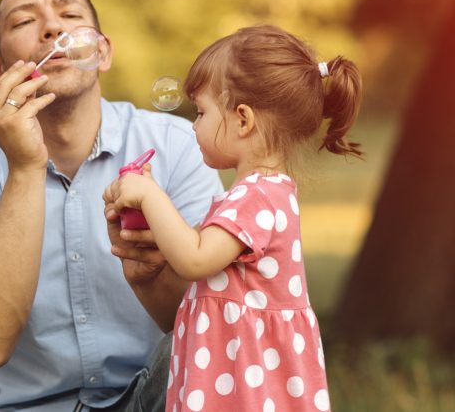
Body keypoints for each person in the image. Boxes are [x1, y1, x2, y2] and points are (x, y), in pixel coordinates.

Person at [0, 0, 224, 411]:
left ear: (102, 53)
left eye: (69, 14)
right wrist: (25, 168)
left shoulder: (177, 147)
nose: (53, 27)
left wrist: (151, 275)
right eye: (25, 22)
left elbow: (215, 329)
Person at [103, 25, 362, 412]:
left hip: (244, 388)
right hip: (236, 377)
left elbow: (194, 259)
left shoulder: (257, 196)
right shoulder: (257, 194)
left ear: (243, 119)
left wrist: (151, 196)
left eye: (202, 112)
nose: (194, 125)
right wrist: (150, 216)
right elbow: (201, 252)